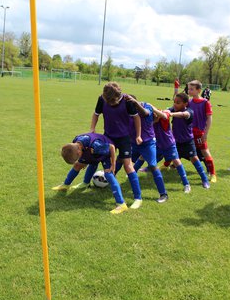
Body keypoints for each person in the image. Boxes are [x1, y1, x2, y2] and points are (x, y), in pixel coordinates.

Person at [90, 82, 143, 214]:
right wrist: (92, 129)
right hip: (108, 136)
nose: (111, 104)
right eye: (109, 102)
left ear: (118, 96)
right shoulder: (101, 99)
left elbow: (137, 118)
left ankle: (138, 198)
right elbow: (96, 114)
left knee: (128, 165)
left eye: (113, 102)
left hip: (124, 137)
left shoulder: (127, 101)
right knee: (99, 159)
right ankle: (86, 182)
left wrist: (138, 135)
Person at [51, 133, 129, 214]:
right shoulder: (75, 142)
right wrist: (84, 160)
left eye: (78, 157)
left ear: (79, 151)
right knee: (77, 165)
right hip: (91, 152)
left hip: (105, 153)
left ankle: (121, 204)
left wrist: (113, 165)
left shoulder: (96, 146)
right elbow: (80, 154)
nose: (78, 158)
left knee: (108, 175)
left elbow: (111, 147)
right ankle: (66, 185)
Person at [125, 95, 168, 203]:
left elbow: (145, 113)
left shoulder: (146, 106)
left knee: (153, 166)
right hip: (133, 142)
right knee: (122, 160)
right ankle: (109, 182)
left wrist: (135, 103)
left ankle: (163, 194)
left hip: (148, 142)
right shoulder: (126, 110)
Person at [144, 105, 191, 193]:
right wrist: (155, 119)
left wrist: (154, 109)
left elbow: (165, 115)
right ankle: (141, 170)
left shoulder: (164, 119)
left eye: (156, 114)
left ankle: (186, 184)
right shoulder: (152, 122)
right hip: (159, 145)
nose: (155, 116)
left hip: (169, 144)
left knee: (176, 161)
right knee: (147, 157)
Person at [169, 92, 210, 188]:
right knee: (175, 161)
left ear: (185, 104)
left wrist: (170, 114)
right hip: (176, 142)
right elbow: (165, 111)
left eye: (178, 102)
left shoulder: (189, 112)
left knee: (194, 158)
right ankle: (186, 183)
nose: (175, 104)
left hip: (188, 141)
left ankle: (204, 179)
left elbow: (183, 114)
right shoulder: (173, 109)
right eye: (174, 102)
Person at [188, 80, 217, 183]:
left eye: (191, 89)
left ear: (198, 90)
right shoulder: (189, 102)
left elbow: (209, 118)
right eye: (188, 88)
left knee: (205, 152)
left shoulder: (205, 103)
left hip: (199, 132)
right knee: (178, 148)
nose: (189, 90)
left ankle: (213, 174)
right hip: (189, 132)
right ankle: (168, 165)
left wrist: (205, 133)